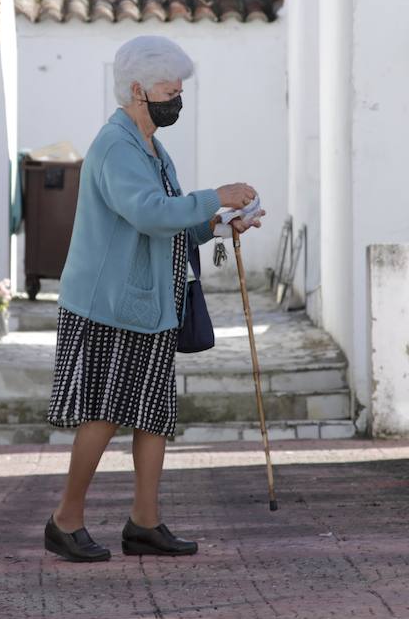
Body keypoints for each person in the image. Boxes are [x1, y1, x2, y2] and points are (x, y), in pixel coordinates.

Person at [44, 35, 263, 563]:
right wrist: (215, 196)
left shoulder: (150, 146)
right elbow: (146, 212)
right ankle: (64, 520)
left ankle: (145, 521)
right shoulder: (117, 145)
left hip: (149, 304)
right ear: (138, 89)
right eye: (171, 87)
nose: (178, 96)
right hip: (109, 305)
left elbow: (167, 221)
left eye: (181, 86)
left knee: (151, 413)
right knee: (102, 411)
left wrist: (216, 223)